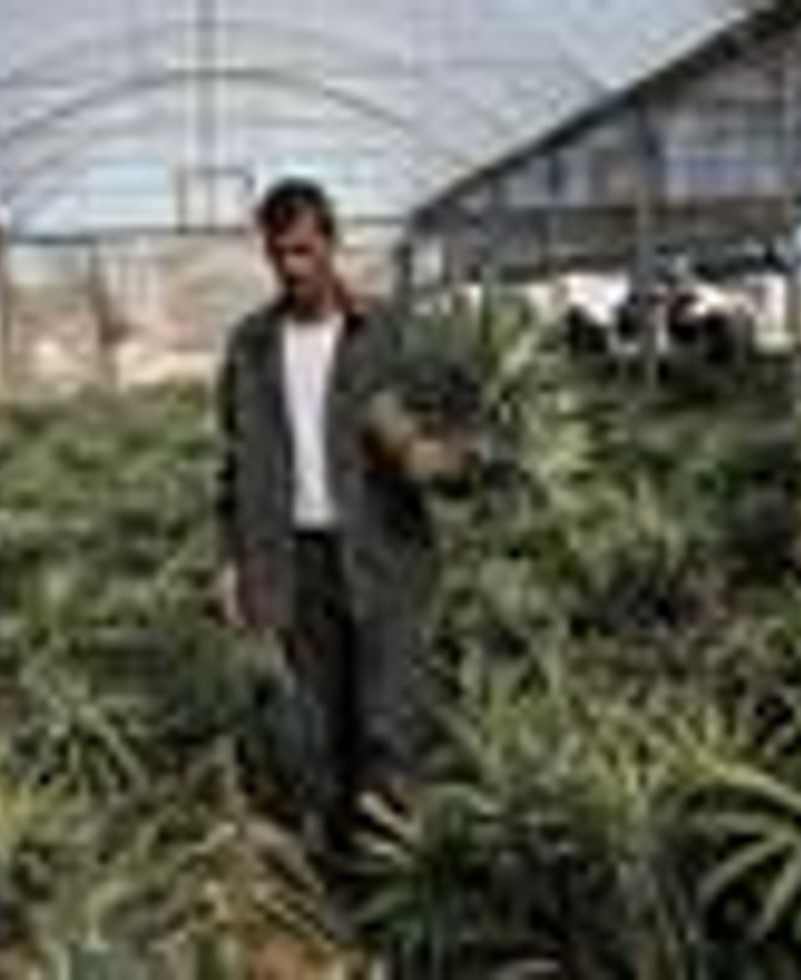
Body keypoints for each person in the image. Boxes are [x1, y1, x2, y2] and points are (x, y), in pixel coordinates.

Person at [214, 178, 473, 861]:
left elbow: (465, 429)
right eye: (279, 255)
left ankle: (397, 871)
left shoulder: (389, 333)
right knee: (315, 719)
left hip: (385, 552)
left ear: (332, 243)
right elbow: (234, 461)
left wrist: (437, 455)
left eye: (303, 251)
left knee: (390, 715)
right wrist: (231, 560)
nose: (292, 268)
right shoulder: (250, 346)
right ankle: (334, 867)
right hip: (293, 557)